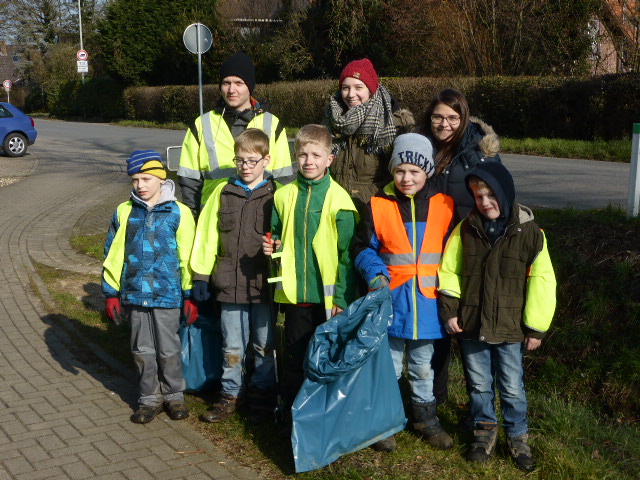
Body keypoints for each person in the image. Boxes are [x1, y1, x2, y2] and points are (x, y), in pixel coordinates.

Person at [438, 162, 556, 471]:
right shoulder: (466, 229)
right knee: (478, 384)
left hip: (510, 328)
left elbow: (543, 281)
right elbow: (449, 272)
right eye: (478, 196)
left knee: (512, 386)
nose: (485, 202)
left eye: (491, 195)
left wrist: (536, 327)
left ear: (505, 194)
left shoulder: (530, 232)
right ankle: (484, 433)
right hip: (472, 324)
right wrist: (450, 310)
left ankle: (518, 438)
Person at [352, 133, 455, 453]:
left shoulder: (445, 205)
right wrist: (375, 274)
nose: (406, 178)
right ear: (392, 171)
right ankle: (385, 421)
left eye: (414, 171)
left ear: (427, 172)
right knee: (390, 365)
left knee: (424, 366)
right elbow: (363, 249)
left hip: (428, 303)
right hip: (392, 300)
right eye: (400, 171)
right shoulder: (378, 204)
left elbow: (455, 254)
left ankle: (426, 419)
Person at [261, 124, 359, 413]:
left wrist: (342, 298)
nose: (308, 161)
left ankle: (325, 414)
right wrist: (272, 245)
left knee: (325, 358)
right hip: (295, 297)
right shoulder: (282, 196)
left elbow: (347, 256)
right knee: (295, 357)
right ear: (295, 156)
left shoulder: (340, 200)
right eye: (302, 154)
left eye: (316, 155)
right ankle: (293, 415)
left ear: (330, 159)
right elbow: (276, 233)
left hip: (328, 301)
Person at [417, 88, 502, 407]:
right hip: (428, 252)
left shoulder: (480, 150)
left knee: (471, 333)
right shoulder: (421, 146)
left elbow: (498, 197)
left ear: (464, 118)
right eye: (438, 116)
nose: (444, 124)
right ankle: (434, 401)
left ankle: (479, 412)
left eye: (452, 117)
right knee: (437, 329)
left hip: (469, 252)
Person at [102, 149, 197, 424]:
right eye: (135, 180)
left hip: (168, 294)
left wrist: (190, 294)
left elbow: (187, 255)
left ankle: (174, 395)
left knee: (168, 348)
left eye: (146, 179)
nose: (140, 186)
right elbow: (113, 253)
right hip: (134, 293)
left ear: (160, 179)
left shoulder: (179, 212)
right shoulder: (124, 211)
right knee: (142, 350)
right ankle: (148, 399)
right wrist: (111, 292)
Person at [189, 128, 277, 425]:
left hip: (263, 287)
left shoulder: (278, 195)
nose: (245, 167)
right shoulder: (222, 193)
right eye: (240, 160)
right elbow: (206, 236)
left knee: (264, 344)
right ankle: (230, 395)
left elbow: (285, 238)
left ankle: (262, 394)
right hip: (227, 284)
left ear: (266, 160)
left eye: (252, 161)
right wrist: (200, 276)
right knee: (232, 344)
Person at [178, 52, 293, 219]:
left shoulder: (272, 124)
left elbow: (283, 180)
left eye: (239, 83)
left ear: (250, 86)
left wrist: (279, 222)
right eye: (226, 83)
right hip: (213, 218)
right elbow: (189, 182)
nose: (231, 90)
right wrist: (192, 220)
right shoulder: (202, 124)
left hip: (260, 218)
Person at [323, 58, 414, 214]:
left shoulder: (393, 125)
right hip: (334, 210)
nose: (351, 94)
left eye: (358, 87)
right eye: (345, 88)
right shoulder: (331, 120)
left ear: (371, 89)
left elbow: (403, 177)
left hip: (375, 213)